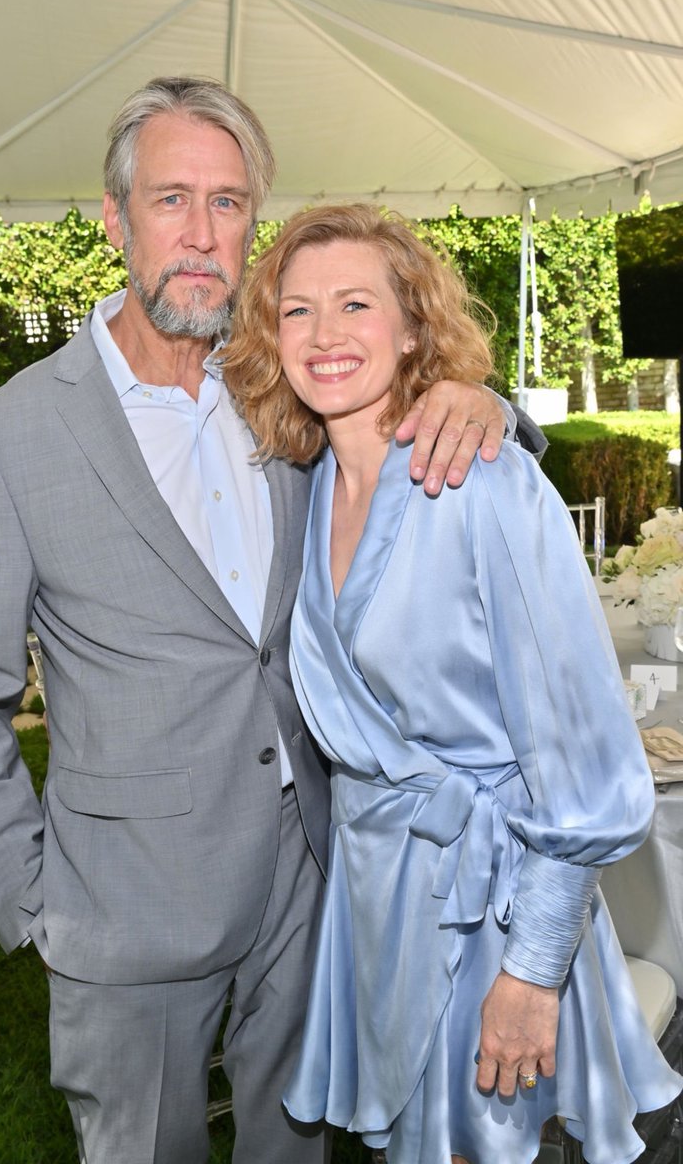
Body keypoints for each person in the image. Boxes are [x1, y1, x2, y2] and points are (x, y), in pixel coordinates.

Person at [0, 79, 542, 1164]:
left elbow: (444, 423)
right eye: (172, 200)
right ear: (115, 220)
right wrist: (32, 901)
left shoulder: (285, 384)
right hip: (125, 910)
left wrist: (485, 403)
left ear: (253, 223)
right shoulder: (9, 438)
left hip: (310, 875)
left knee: (295, 1146)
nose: (201, 235)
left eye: (228, 203)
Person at [222, 202, 683, 1164]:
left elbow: (588, 759)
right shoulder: (305, 487)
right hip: (375, 907)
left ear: (412, 328)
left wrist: (532, 969)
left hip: (495, 908)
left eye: (356, 303)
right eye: (297, 310)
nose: (325, 333)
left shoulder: (484, 484)